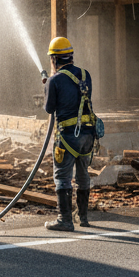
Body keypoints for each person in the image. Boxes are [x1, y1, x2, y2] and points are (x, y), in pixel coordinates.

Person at [42, 36, 96, 231]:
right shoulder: (85, 74)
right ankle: (83, 218)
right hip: (88, 136)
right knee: (83, 176)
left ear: (54, 60)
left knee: (62, 177)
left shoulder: (54, 80)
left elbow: (49, 109)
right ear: (71, 56)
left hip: (67, 138)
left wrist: (47, 87)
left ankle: (65, 220)